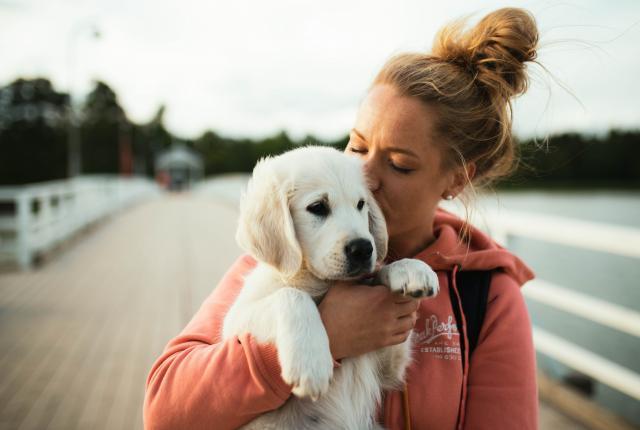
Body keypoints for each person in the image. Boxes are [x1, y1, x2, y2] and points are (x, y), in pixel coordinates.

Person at [144, 7, 539, 430]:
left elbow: (392, 374)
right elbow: (165, 413)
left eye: (400, 164)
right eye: (356, 145)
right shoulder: (290, 255)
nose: (364, 175)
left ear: (456, 180)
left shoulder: (488, 295)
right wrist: (324, 333)